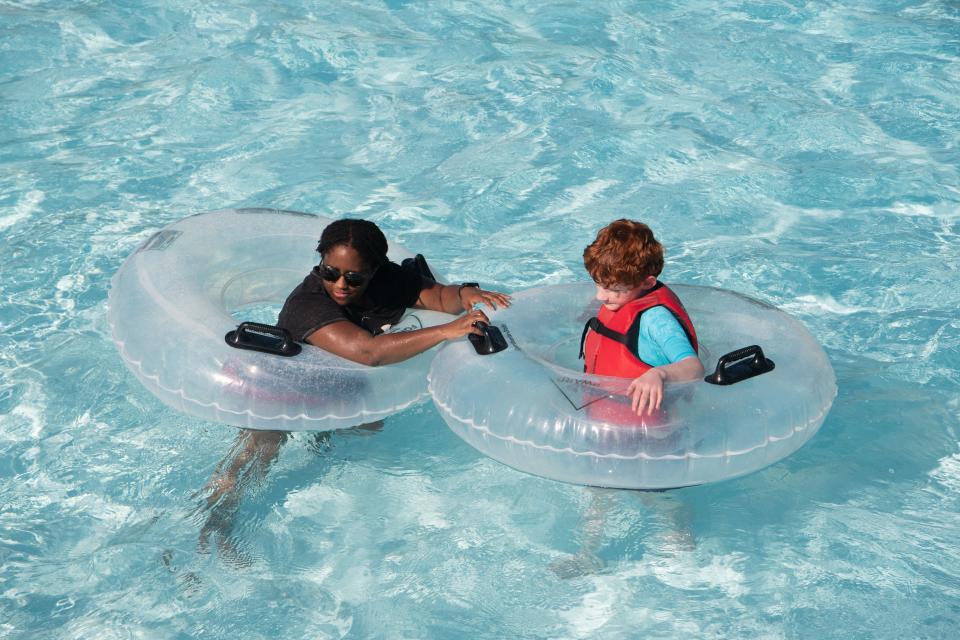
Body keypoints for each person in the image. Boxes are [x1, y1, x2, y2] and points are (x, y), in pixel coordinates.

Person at [198, 218, 510, 556]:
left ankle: (318, 458)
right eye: (330, 272)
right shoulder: (308, 304)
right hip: (282, 391)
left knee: (368, 430)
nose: (340, 284)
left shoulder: (389, 278)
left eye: (354, 277)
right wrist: (448, 330)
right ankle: (214, 525)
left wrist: (466, 294)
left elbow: (436, 296)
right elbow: (368, 352)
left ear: (375, 270)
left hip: (338, 390)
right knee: (255, 458)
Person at [580, 219, 704, 417]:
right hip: (604, 417)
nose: (600, 296)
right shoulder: (616, 299)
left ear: (647, 283)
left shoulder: (656, 320)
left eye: (614, 289)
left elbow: (694, 368)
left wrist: (660, 374)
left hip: (648, 433)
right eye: (598, 284)